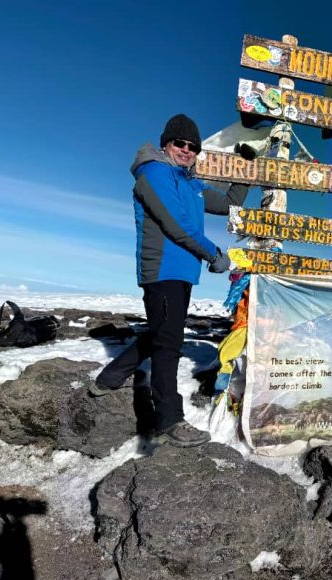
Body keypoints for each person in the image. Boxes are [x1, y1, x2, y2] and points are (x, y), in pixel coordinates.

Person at [89, 114, 248, 448]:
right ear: (166, 144)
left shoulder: (191, 183)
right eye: (180, 143)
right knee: (168, 344)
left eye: (193, 147)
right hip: (162, 271)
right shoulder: (154, 173)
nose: (186, 150)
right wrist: (213, 253)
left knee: (163, 333)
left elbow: (231, 204)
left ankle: (110, 377)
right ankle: (168, 419)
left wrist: (246, 170)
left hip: (181, 274)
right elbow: (176, 225)